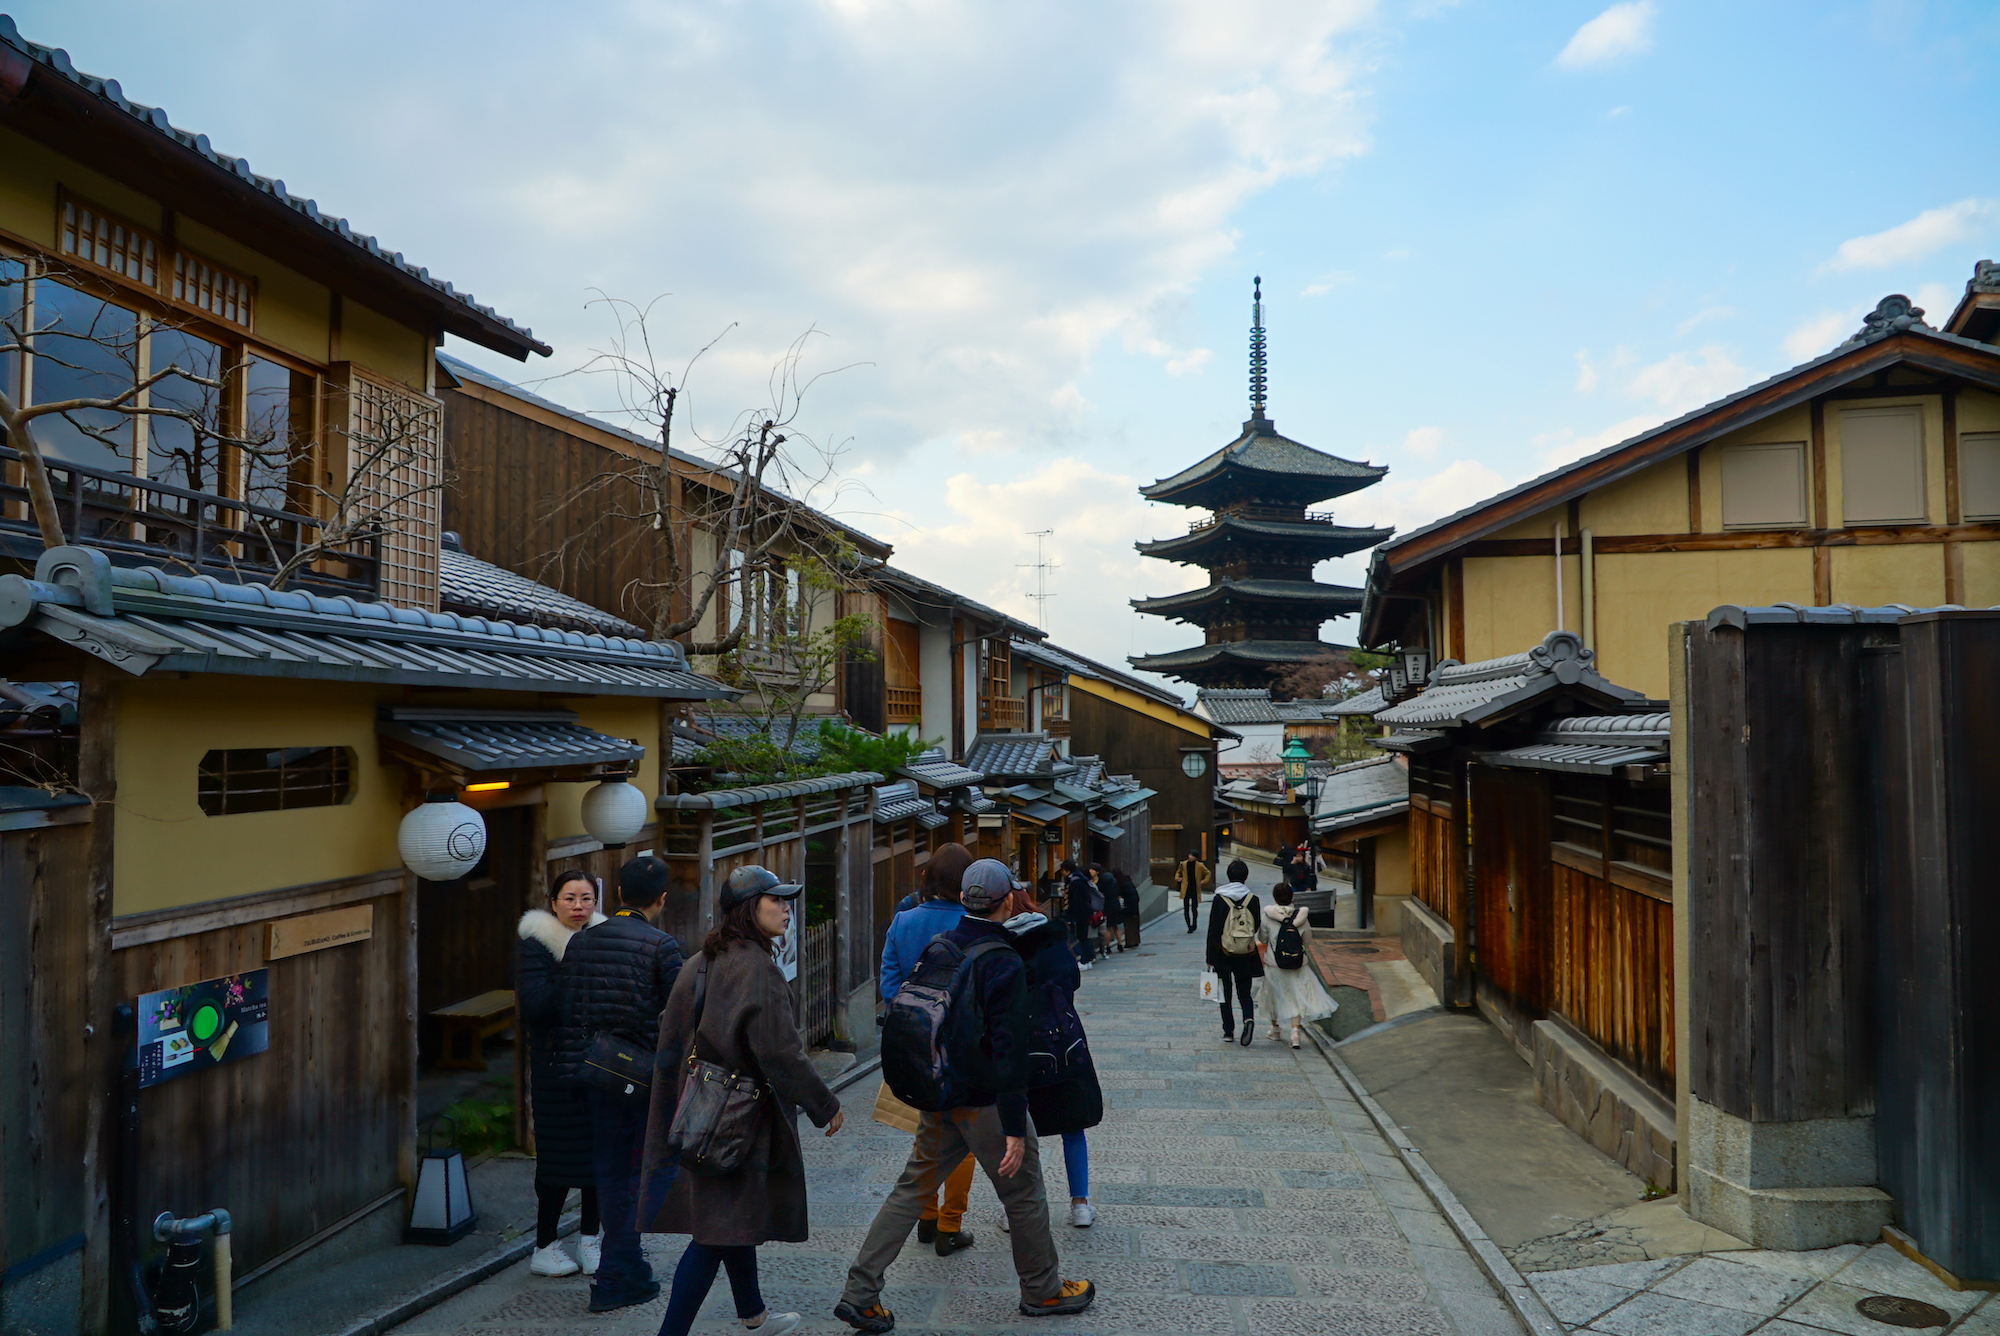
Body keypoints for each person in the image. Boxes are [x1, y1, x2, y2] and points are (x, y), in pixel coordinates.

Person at [836, 859, 1095, 1330]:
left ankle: (859, 1291)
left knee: (912, 1188)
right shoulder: (1001, 959)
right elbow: (1009, 1049)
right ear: (1006, 900)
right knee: (1024, 1193)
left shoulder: (943, 945)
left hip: (942, 1093)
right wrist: (1015, 1128)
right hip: (985, 1101)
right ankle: (1043, 1290)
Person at [642, 866, 844, 1336]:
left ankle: (752, 1312)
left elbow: (671, 1037)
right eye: (775, 900)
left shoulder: (705, 959)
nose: (787, 908)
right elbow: (781, 1051)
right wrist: (824, 1104)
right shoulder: (756, 967)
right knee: (716, 1233)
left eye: (787, 900)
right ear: (749, 910)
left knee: (730, 1216)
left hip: (702, 1111)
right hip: (735, 1118)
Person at [559, 855, 684, 1313]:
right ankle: (619, 1271)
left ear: (615, 896)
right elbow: (680, 1017)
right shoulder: (662, 947)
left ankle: (621, 1269)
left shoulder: (582, 942)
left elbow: (567, 1011)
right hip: (641, 1078)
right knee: (641, 1174)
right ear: (662, 899)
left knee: (610, 1175)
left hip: (593, 1075)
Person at [876, 843, 979, 1256]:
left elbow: (888, 984)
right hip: (962, 1044)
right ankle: (949, 1227)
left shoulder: (903, 921)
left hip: (917, 1043)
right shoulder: (973, 924)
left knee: (927, 1131)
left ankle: (926, 1214)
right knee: (964, 1136)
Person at [516, 870, 606, 1278]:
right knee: (555, 1160)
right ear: (552, 902)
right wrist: (574, 965)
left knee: (598, 1156)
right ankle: (545, 1243)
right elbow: (535, 1007)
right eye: (569, 898)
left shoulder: (604, 937)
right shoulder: (536, 944)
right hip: (554, 1067)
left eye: (586, 898)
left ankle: (591, 1240)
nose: (578, 907)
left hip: (597, 1063)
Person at [1006, 879, 1103, 1229]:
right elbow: (1072, 982)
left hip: (1019, 1045)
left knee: (1019, 1129)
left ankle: (1018, 1208)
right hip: (1061, 1040)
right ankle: (1080, 1202)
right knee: (1072, 1124)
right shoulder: (1053, 937)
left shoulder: (1002, 944)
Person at [1256, 884, 1338, 1048]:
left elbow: (1263, 939)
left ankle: (1275, 1029)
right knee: (1297, 996)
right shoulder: (1301, 917)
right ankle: (1295, 1032)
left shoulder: (1268, 916)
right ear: (1291, 898)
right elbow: (1307, 941)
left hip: (1274, 964)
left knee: (1273, 995)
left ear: (1275, 897)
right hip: (1297, 963)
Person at [1206, 859, 1264, 1046]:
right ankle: (1248, 1019)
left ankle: (1228, 1031)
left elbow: (1213, 929)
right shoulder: (1253, 899)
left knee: (1225, 993)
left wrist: (1210, 957)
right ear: (1245, 877)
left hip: (1223, 952)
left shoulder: (1219, 898)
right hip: (1245, 952)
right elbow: (1255, 926)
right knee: (1244, 992)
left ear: (1229, 876)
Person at [1061, 860, 1096, 971]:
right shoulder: (1080, 879)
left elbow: (1076, 900)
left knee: (1081, 936)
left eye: (1063, 870)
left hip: (1080, 913)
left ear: (1067, 870)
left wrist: (1071, 914)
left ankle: (1085, 960)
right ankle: (1088, 958)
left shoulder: (1076, 882)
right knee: (1083, 936)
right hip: (1085, 912)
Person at [1176, 853, 1211, 933]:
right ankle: (1189, 926)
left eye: (1192, 856)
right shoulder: (1183, 864)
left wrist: (1203, 881)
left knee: (1194, 908)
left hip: (1195, 888)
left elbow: (1208, 873)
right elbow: (1178, 872)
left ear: (1195, 857)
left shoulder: (1200, 865)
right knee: (1186, 908)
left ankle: (1194, 923)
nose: (1190, 857)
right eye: (1189, 855)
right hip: (1186, 888)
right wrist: (1178, 878)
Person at [1088, 866, 1118, 957]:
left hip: (1100, 909)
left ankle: (1104, 948)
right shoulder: (1109, 881)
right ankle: (1105, 949)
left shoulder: (1099, 883)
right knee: (1108, 929)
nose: (1090, 871)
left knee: (1103, 930)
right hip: (1104, 908)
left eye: (1092, 869)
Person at [1113, 867, 1141, 951]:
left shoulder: (1122, 884)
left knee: (1128, 925)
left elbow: (1124, 895)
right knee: (1134, 924)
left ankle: (1130, 942)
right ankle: (1135, 941)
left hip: (1128, 906)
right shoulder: (1128, 881)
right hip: (1134, 906)